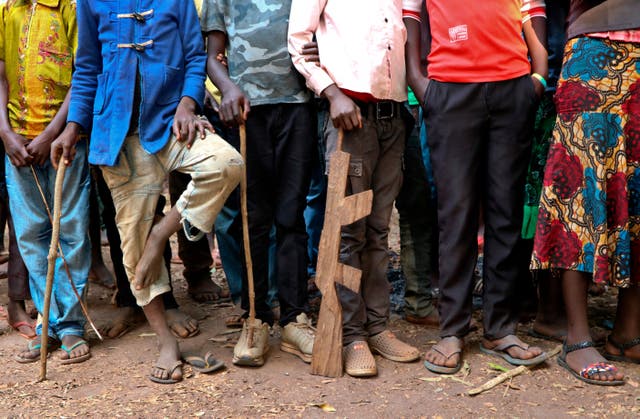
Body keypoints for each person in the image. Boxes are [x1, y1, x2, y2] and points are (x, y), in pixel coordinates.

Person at [53, 0, 243, 384]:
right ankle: (166, 344)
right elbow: (87, 69)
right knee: (134, 246)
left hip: (174, 123)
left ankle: (162, 232)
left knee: (226, 164)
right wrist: (73, 127)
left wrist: (188, 105)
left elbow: (194, 56)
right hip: (118, 134)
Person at [403, 0, 549, 374]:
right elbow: (410, 15)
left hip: (513, 89)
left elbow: (533, 10)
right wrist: (419, 82)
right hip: (450, 90)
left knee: (506, 211)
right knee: (457, 214)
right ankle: (453, 329)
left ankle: (500, 328)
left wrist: (539, 76)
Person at [289, 0, 421, 378]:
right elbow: (298, 42)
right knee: (349, 230)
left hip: (392, 118)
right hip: (351, 117)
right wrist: (331, 92)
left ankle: (377, 327)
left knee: (379, 230)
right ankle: (352, 335)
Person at [202, 0, 317, 367]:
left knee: (291, 214)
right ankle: (255, 317)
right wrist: (228, 88)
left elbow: (325, 31)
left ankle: (295, 318)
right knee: (254, 216)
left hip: (299, 104)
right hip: (248, 111)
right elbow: (212, 56)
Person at [531, 0, 639, 386]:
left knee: (639, 190)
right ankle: (577, 338)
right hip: (595, 50)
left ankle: (627, 334)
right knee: (581, 188)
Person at [0, 0, 92, 364]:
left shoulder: (70, 8)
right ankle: (48, 322)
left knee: (70, 230)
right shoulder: (9, 12)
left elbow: (83, 75)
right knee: (31, 234)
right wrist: (6, 133)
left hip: (64, 143)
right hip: (18, 145)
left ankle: (71, 324)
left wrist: (52, 133)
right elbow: (2, 74)